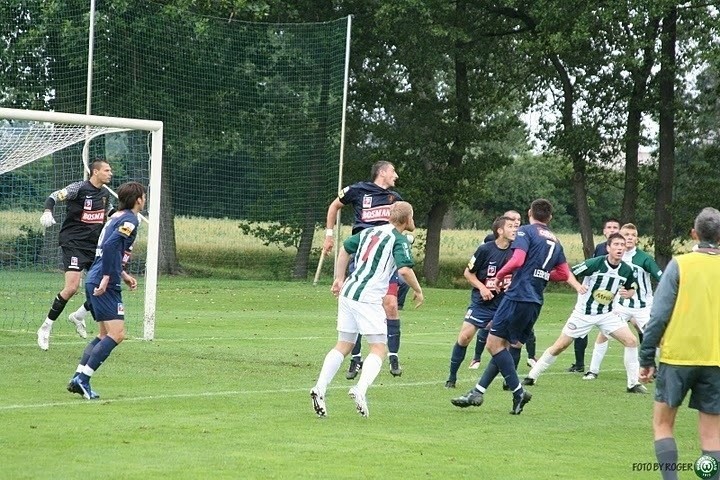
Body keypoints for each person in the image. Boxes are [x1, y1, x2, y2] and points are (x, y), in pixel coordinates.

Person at [450, 199, 572, 415]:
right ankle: (477, 392)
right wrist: (540, 274)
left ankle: (518, 392)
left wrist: (500, 274)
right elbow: (563, 274)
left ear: (530, 213)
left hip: (517, 296)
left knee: (493, 344)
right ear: (550, 218)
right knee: (503, 346)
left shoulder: (526, 231)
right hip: (535, 300)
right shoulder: (556, 240)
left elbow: (517, 260)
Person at [310, 202, 424, 418]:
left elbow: (344, 249)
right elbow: (405, 270)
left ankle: (319, 388)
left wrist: (339, 278)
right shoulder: (398, 239)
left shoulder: (370, 231)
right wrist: (418, 290)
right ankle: (360, 390)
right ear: (407, 219)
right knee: (379, 348)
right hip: (368, 297)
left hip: (349, 292)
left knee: (344, 344)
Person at [639, 207, 720, 480]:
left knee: (662, 424)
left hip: (677, 357)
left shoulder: (680, 264)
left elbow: (659, 315)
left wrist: (646, 358)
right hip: (715, 359)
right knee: (712, 437)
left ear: (694, 234)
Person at [522, 233, 648, 394]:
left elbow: (632, 287)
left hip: (607, 314)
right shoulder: (595, 264)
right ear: (608, 248)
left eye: (622, 245)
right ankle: (532, 376)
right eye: (616, 245)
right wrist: (577, 286)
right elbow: (569, 273)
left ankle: (633, 384)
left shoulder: (626, 269)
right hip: (583, 313)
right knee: (560, 346)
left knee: (631, 341)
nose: (619, 248)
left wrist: (628, 294)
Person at [322, 161, 405, 378]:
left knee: (391, 304)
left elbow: (405, 221)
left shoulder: (395, 199)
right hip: (361, 254)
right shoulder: (358, 190)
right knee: (357, 303)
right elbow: (334, 206)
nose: (396, 175)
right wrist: (329, 235)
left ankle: (393, 356)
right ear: (383, 172)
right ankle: (356, 358)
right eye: (393, 171)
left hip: (385, 258)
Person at [67, 182, 146, 400]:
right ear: (138, 199)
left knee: (103, 335)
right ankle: (83, 380)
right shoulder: (129, 219)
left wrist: (123, 274)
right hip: (103, 280)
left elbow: (110, 250)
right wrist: (108, 278)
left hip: (97, 276)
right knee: (117, 334)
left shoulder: (116, 216)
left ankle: (78, 377)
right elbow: (111, 247)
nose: (145, 199)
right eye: (144, 195)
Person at [36, 159, 114, 350]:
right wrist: (48, 211)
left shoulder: (104, 194)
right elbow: (54, 196)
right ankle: (46, 327)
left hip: (94, 247)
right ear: (95, 172)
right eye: (107, 170)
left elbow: (109, 212)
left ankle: (79, 315)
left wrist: (125, 215)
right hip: (73, 244)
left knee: (106, 285)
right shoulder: (78, 188)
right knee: (72, 288)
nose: (110, 173)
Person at [583, 223, 662, 380]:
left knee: (656, 338)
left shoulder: (644, 258)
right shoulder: (613, 257)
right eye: (626, 235)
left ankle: (662, 370)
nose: (630, 238)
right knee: (603, 335)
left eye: (633, 235)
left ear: (636, 239)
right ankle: (593, 370)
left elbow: (662, 277)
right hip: (620, 305)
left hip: (642, 306)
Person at [445, 216, 517, 389]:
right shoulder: (485, 249)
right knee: (464, 337)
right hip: (481, 303)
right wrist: (483, 288)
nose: (514, 229)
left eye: (516, 227)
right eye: (510, 226)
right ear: (500, 231)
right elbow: (468, 273)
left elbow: (520, 274)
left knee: (504, 344)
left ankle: (509, 381)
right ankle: (452, 377)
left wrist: (512, 286)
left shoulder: (517, 251)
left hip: (504, 304)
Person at [469, 210, 534, 369]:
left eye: (518, 220)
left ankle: (529, 359)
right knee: (487, 328)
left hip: (512, 297)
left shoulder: (522, 243)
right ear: (501, 226)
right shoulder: (489, 244)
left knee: (521, 333)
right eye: (512, 221)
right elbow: (471, 270)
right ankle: (477, 358)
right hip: (491, 298)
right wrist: (484, 286)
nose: (516, 223)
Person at [567, 217, 621, 373]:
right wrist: (582, 286)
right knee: (581, 325)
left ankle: (647, 364)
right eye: (609, 227)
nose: (612, 230)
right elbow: (590, 269)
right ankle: (579, 363)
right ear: (604, 231)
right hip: (592, 293)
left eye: (615, 227)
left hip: (612, 296)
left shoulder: (621, 251)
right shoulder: (600, 248)